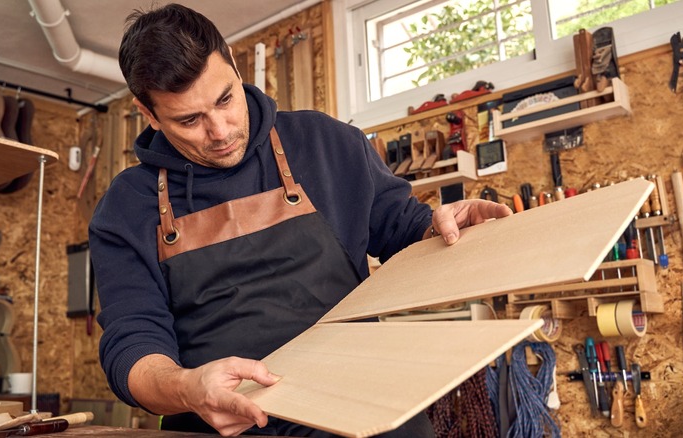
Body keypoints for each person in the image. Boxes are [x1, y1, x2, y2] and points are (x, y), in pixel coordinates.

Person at [89, 3, 511, 437]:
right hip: (222, 426)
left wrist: (444, 227)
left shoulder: (324, 142)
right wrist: (184, 387)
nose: (219, 131)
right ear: (148, 113)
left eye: (226, 99)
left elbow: (403, 227)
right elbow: (132, 345)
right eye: (190, 120)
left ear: (234, 64)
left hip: (362, 409)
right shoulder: (127, 208)